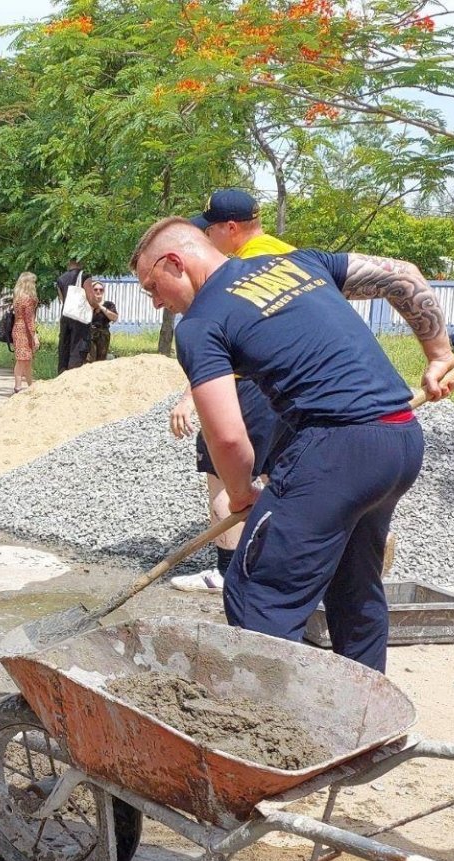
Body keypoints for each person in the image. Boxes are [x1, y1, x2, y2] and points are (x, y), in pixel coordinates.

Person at [130, 218, 454, 671]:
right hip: (399, 439)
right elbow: (402, 274)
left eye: (152, 287)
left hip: (337, 450)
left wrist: (242, 493)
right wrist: (439, 354)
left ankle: (266, 731)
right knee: (353, 587)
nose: (156, 303)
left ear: (174, 263)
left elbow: (226, 435)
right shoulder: (297, 263)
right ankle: (364, 725)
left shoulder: (203, 322)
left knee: (257, 591)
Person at [169, 192, 294, 592]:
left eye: (209, 232)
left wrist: (191, 396)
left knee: (222, 478)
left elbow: (223, 343)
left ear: (231, 228)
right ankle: (274, 567)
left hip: (244, 386)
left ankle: (227, 572)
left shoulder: (237, 269)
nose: (206, 242)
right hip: (288, 387)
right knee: (279, 476)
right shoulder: (290, 256)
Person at [54, 258, 90, 373]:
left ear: (69, 262)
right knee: (78, 344)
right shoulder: (84, 276)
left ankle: (62, 372)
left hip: (66, 314)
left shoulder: (60, 278)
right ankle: (74, 372)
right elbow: (90, 297)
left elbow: (62, 299)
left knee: (64, 344)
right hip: (79, 316)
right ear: (81, 262)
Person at [9, 271, 40, 394]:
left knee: (25, 359)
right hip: (24, 331)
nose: (35, 284)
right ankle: (18, 387)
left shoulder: (18, 298)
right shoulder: (28, 299)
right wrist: (34, 336)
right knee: (22, 359)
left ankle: (30, 385)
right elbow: (29, 320)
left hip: (17, 328)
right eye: (33, 282)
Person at [84, 276, 117, 365]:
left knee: (101, 360)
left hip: (103, 333)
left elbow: (114, 317)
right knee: (90, 358)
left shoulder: (109, 305)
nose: (98, 291)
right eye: (95, 289)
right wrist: (92, 305)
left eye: (101, 290)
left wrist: (101, 307)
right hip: (89, 332)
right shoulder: (87, 304)